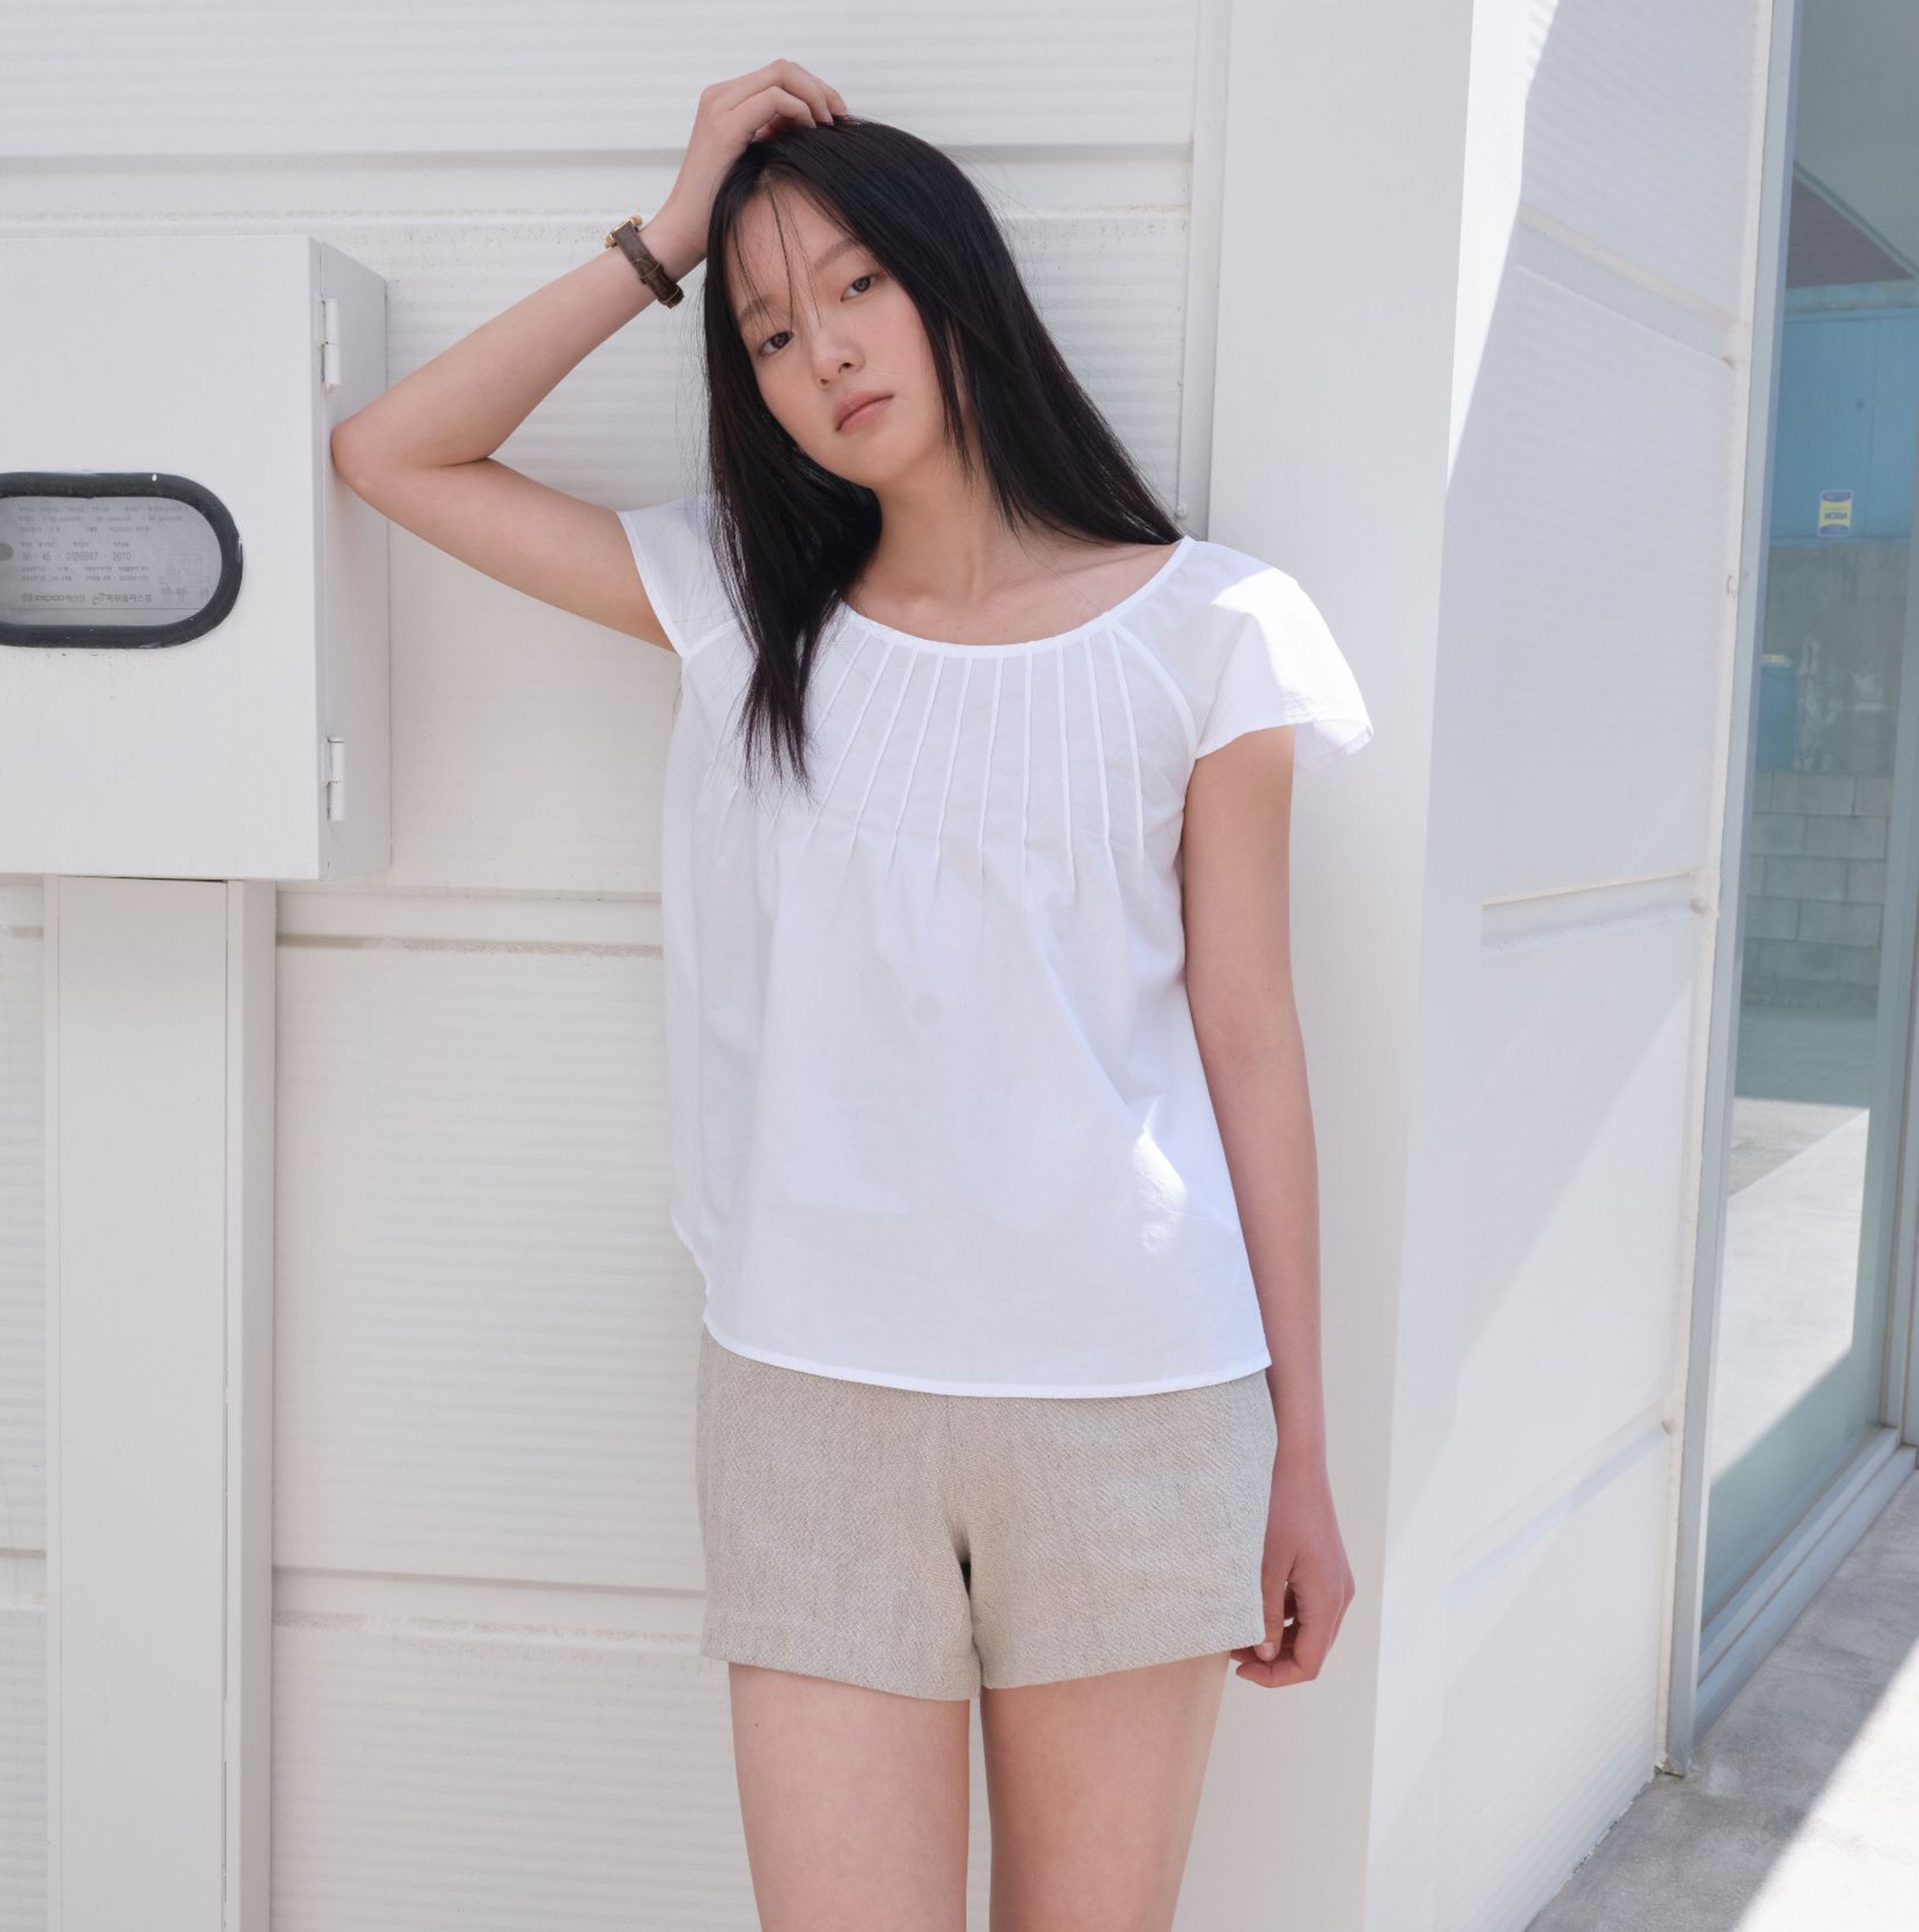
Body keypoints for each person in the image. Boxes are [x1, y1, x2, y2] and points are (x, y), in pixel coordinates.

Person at [330, 59, 1371, 1932]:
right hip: (811, 1402)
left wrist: (1303, 1453)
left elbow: (1251, 1047)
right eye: (766, 329)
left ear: (954, 279)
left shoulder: (1210, 631)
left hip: (1134, 1399)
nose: (821, 351)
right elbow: (392, 456)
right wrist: (666, 236)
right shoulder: (742, 607)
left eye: (857, 286)